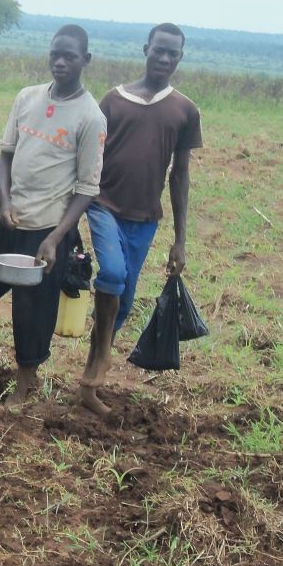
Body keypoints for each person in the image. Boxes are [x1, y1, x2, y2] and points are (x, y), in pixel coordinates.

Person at [0, 25, 105, 405]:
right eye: (55, 54)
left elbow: (87, 188)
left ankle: (23, 388)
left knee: (32, 315)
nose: (61, 62)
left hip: (49, 229)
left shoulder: (91, 116)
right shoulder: (27, 97)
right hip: (9, 219)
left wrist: (54, 239)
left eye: (70, 56)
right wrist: (3, 203)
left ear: (86, 60)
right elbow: (5, 156)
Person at [79, 23, 202, 416]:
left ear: (180, 57)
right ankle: (101, 359)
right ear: (146, 49)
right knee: (112, 274)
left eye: (174, 54)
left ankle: (88, 382)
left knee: (125, 302)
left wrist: (180, 239)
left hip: (145, 217)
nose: (165, 59)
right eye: (159, 51)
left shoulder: (184, 109)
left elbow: (179, 174)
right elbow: (87, 154)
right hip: (103, 205)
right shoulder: (113, 100)